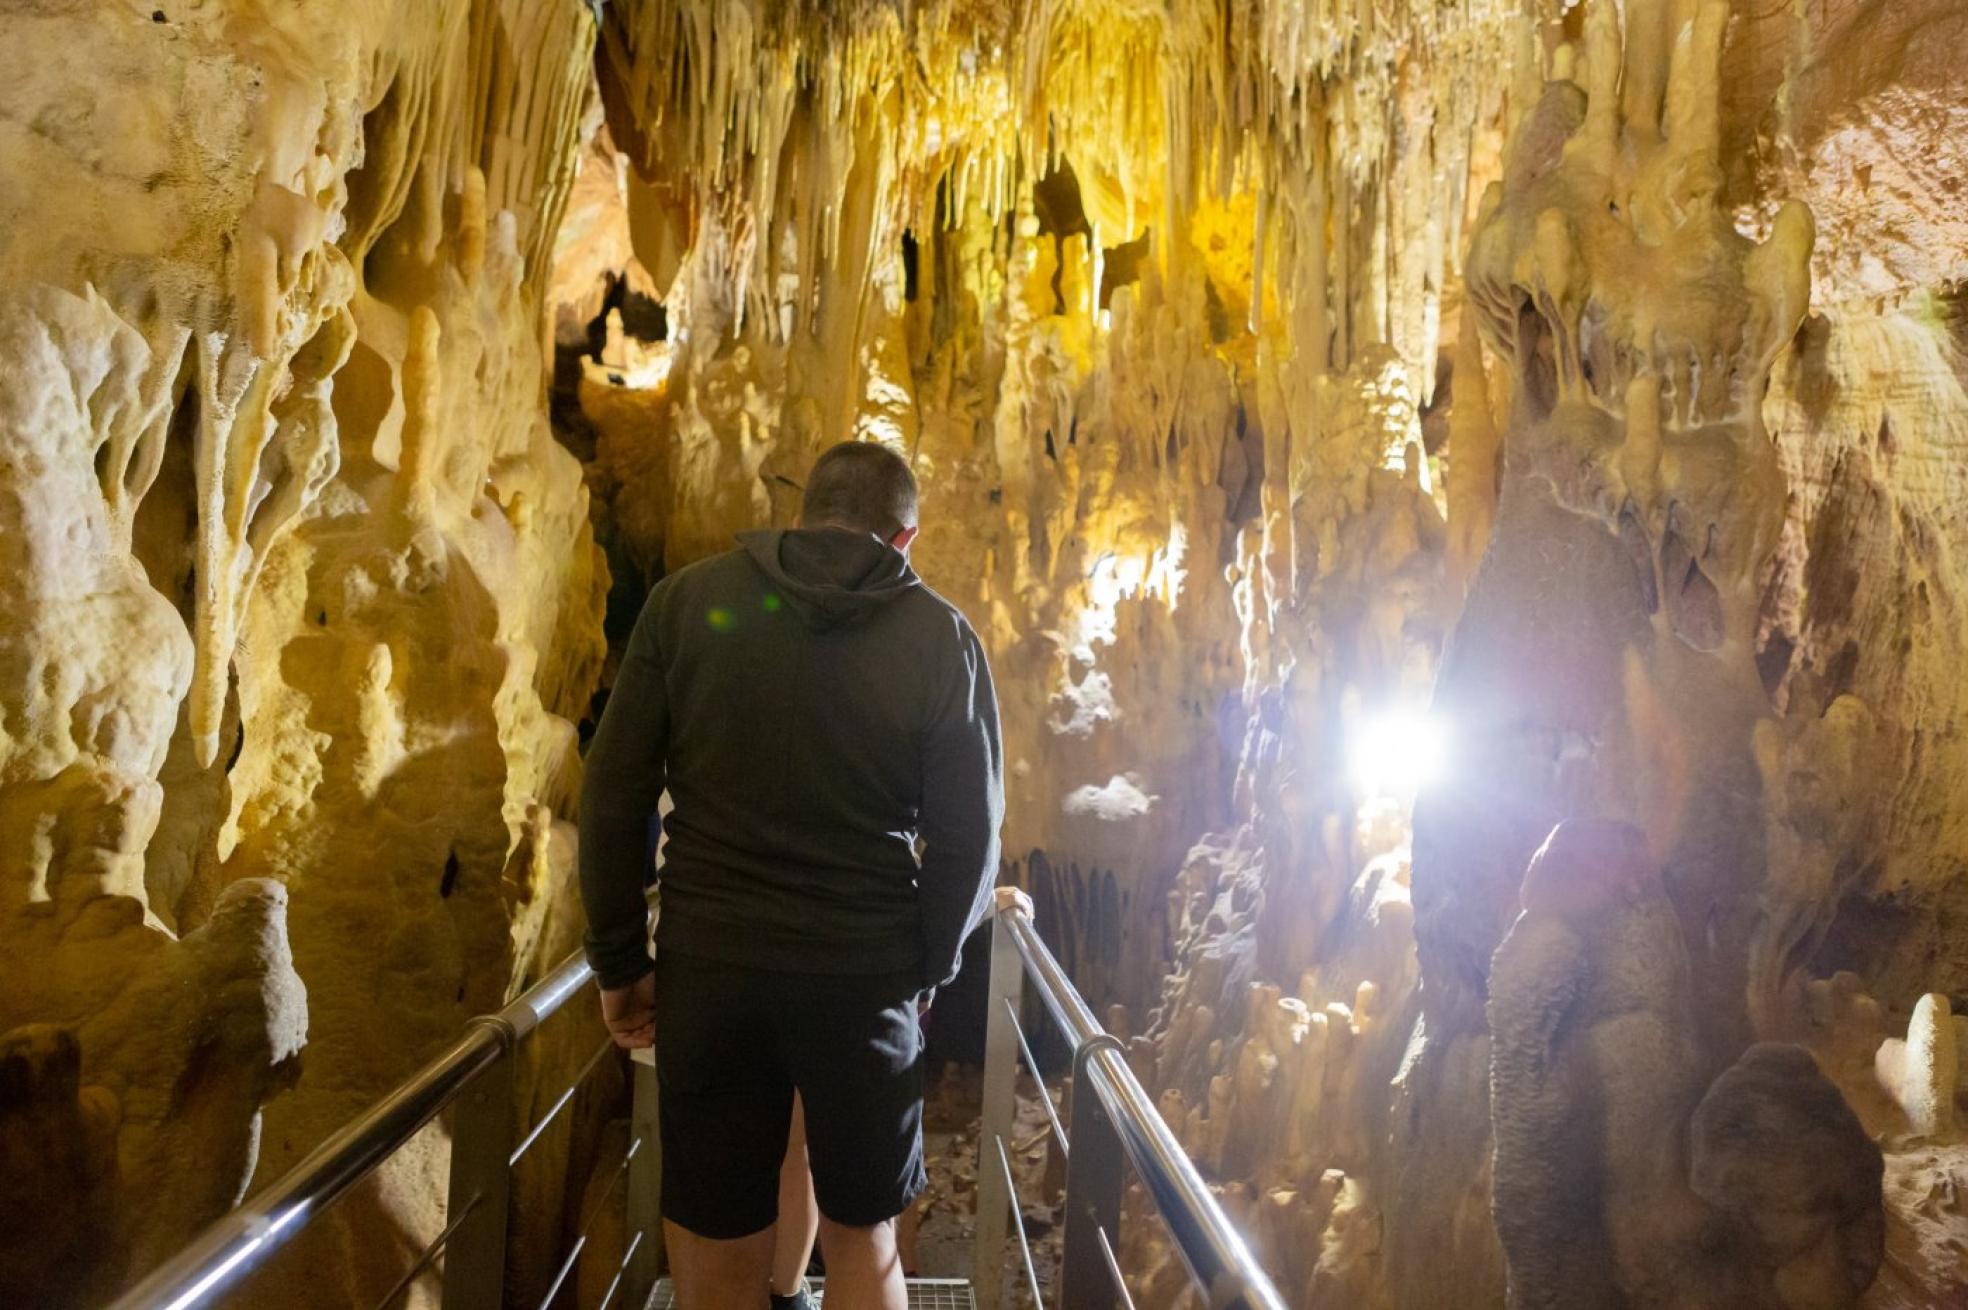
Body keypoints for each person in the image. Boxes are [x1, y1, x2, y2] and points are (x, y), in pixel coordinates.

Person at [579, 440, 1006, 1310]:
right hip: (864, 976)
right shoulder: (940, 638)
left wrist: (622, 965)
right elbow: (970, 837)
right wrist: (926, 971)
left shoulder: (688, 603)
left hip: (712, 968)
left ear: (802, 513)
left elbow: (612, 798)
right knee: (865, 1239)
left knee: (718, 1246)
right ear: (906, 537)